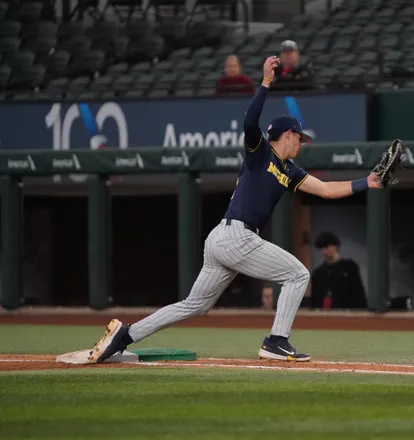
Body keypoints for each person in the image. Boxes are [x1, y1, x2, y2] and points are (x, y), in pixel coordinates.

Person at [88, 56, 383, 364]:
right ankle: (276, 340)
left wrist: (368, 182)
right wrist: (266, 82)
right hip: (234, 236)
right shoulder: (261, 153)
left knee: (194, 305)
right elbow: (249, 121)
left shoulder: (291, 170)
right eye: (301, 138)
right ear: (288, 134)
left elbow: (325, 189)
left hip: (225, 239)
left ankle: (126, 335)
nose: (303, 143)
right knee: (298, 274)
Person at [310, 232, 367, 310]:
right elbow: (315, 299)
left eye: (326, 247)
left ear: (335, 246)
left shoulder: (349, 268)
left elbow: (359, 294)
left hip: (347, 312)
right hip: (324, 314)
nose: (324, 252)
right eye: (321, 248)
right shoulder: (318, 273)